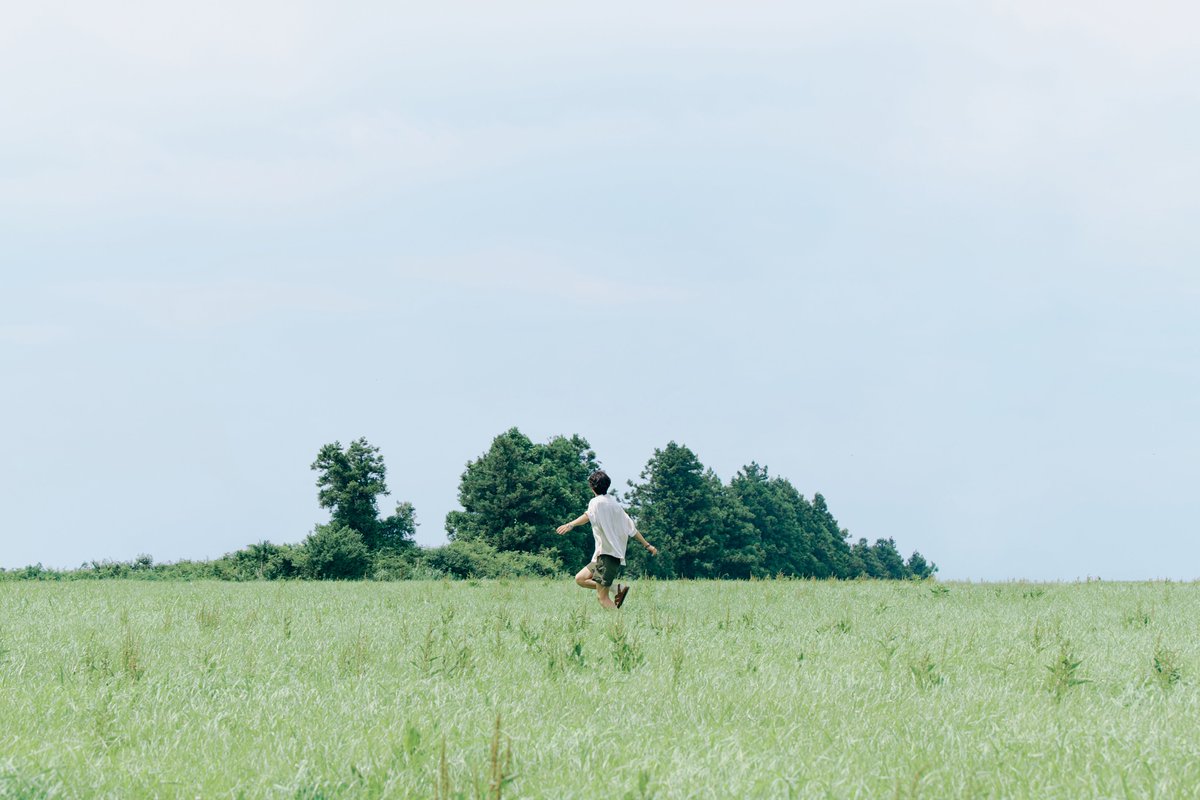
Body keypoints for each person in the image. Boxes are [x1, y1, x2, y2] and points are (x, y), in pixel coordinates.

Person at [556, 470, 658, 609]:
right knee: (580, 579)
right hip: (603, 555)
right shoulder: (616, 506)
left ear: (591, 487)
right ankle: (617, 589)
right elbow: (632, 530)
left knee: (602, 598)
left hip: (607, 555)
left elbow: (588, 516)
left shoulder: (596, 502)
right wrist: (647, 545)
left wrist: (570, 524)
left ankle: (619, 625)